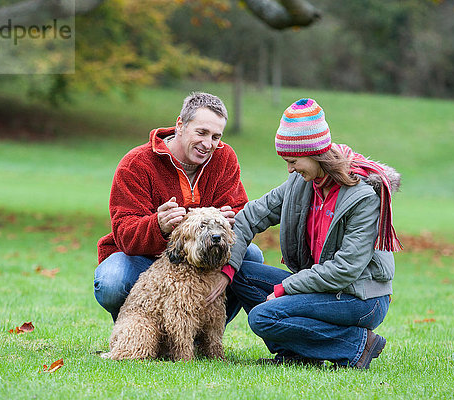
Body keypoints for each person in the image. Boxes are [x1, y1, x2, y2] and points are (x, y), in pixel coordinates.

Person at [227, 98, 402, 369]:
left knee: (262, 317)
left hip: (360, 298)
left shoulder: (364, 196)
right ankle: (296, 352)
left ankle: (356, 345)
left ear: (315, 153)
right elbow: (250, 217)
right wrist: (224, 272)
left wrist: (286, 287)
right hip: (320, 288)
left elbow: (344, 270)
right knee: (239, 274)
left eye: (293, 160)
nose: (290, 168)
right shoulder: (300, 182)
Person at [94, 92, 263, 322]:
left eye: (215, 137)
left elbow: (240, 210)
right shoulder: (136, 164)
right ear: (180, 125)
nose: (208, 144)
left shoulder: (225, 158)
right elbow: (124, 231)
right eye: (201, 132)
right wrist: (157, 225)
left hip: (202, 259)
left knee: (252, 257)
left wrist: (231, 219)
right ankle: (136, 331)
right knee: (112, 280)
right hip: (145, 259)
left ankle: (205, 333)